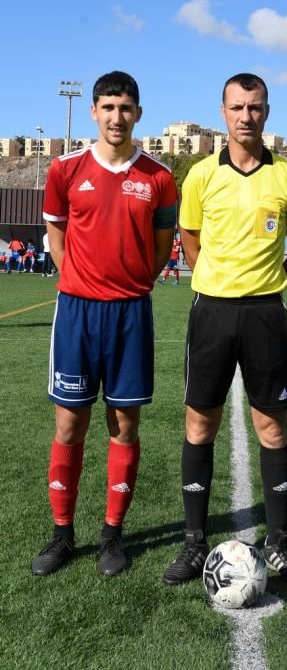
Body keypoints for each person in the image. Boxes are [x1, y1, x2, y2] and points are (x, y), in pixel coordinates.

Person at [163, 73, 287, 588]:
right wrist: (211, 277)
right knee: (199, 424)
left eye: (255, 107)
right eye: (236, 107)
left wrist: (271, 285)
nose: (246, 115)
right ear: (222, 112)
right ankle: (192, 543)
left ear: (267, 112)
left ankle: (277, 544)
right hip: (212, 312)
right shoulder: (201, 174)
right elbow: (186, 232)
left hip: (265, 313)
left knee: (271, 426)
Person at [32, 71, 177, 577]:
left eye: (126, 108)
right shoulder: (65, 169)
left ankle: (112, 534)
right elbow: (56, 232)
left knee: (124, 424)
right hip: (76, 312)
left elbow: (162, 249)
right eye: (108, 107)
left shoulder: (158, 177)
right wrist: (75, 279)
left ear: (139, 113)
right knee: (70, 423)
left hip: (131, 312)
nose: (117, 117)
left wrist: (135, 282)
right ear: (94, 111)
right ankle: (62, 534)